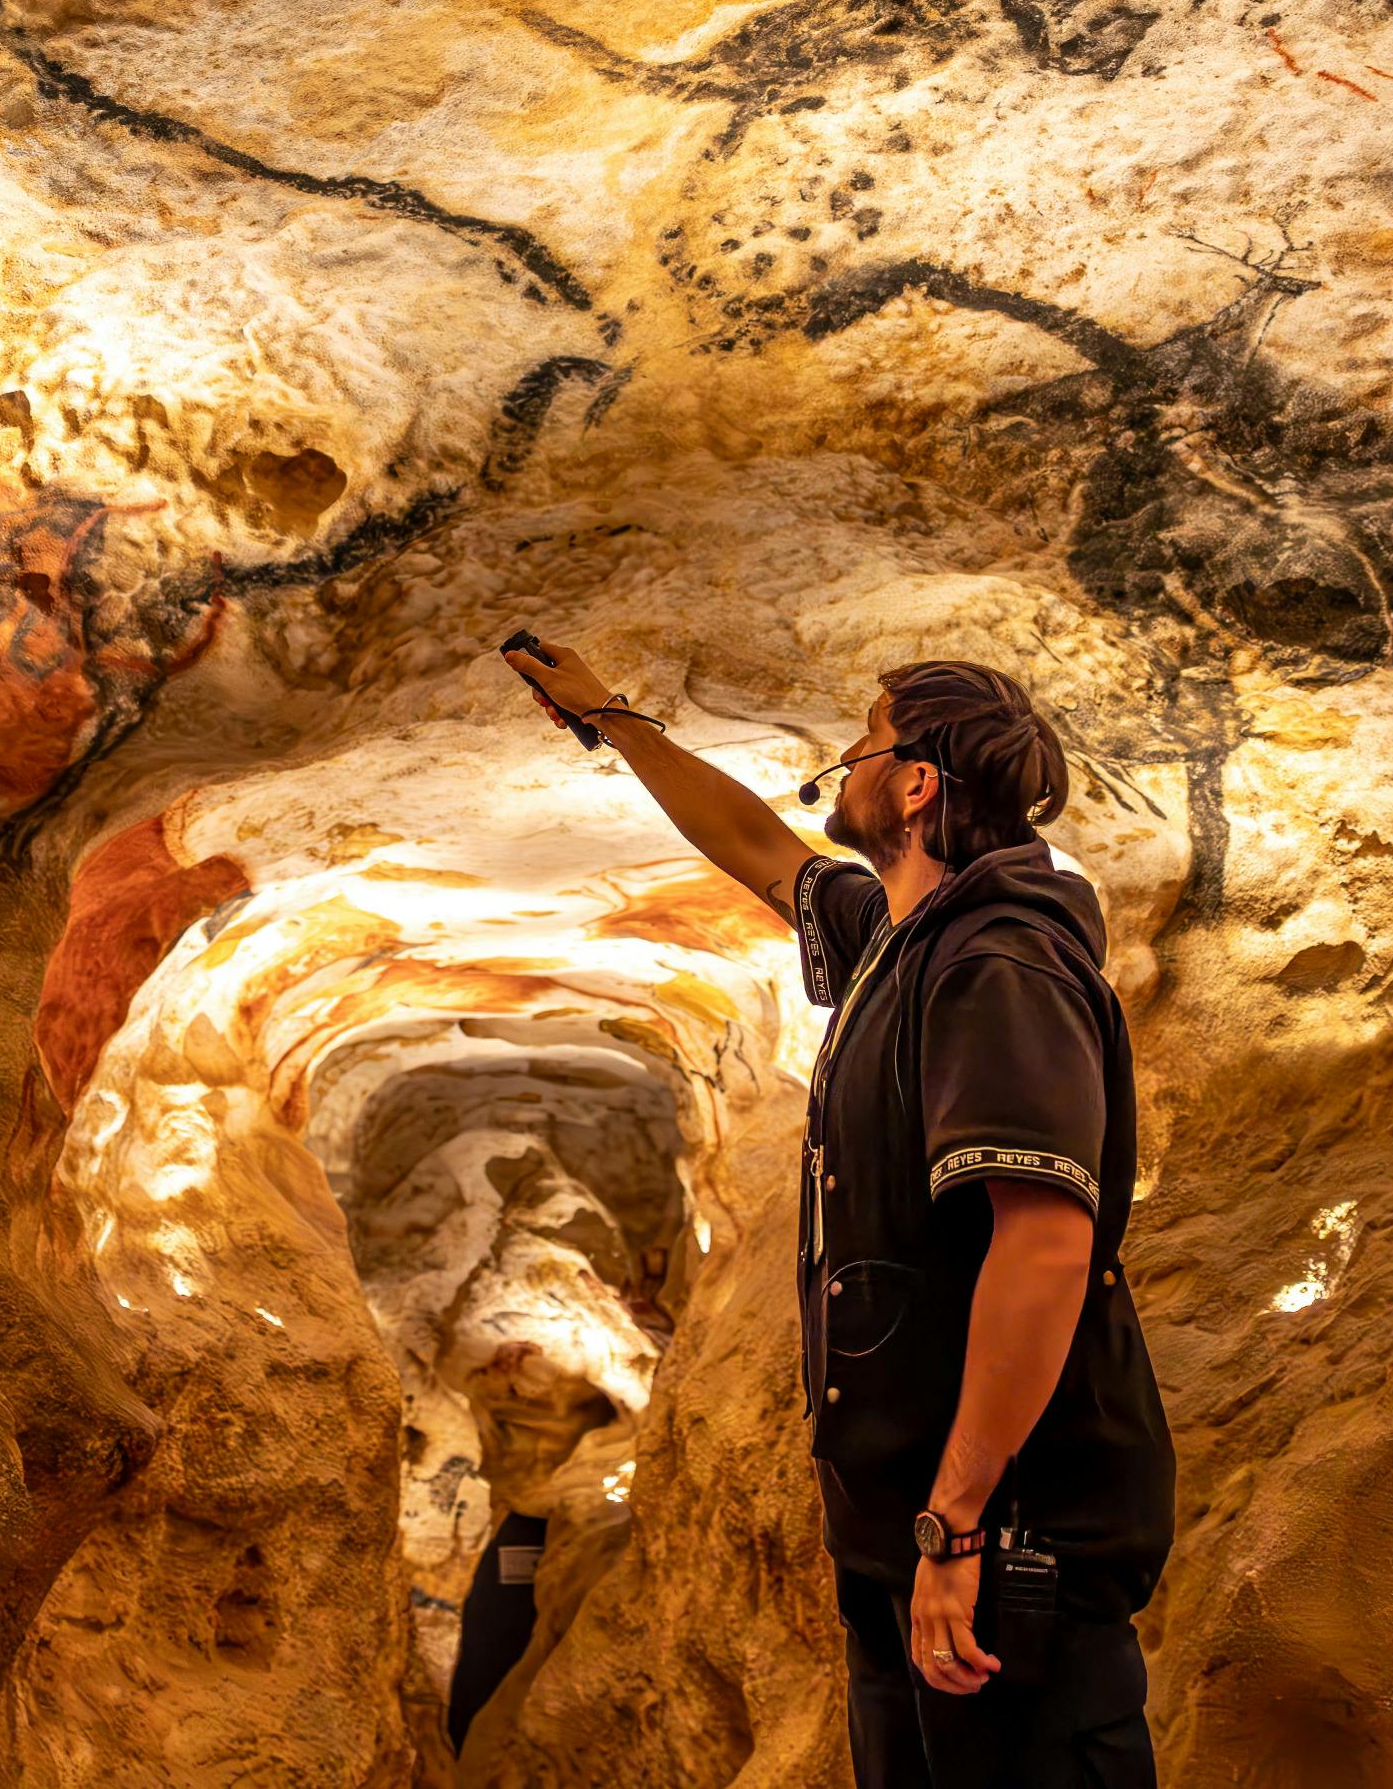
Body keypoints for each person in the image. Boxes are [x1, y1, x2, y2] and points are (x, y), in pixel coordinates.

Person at [500, 638, 1172, 1787]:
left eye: (862, 741)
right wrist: (614, 718)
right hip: (908, 1539)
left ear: (914, 783)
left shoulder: (996, 961)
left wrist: (954, 1529)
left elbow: (1045, 1242)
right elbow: (761, 851)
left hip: (1007, 1544)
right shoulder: (898, 942)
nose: (841, 763)